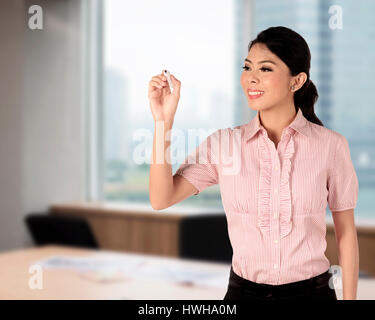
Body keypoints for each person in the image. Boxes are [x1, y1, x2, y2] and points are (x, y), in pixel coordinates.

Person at [148, 26, 359, 300]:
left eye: (265, 69)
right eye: (247, 68)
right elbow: (161, 198)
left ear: (296, 82)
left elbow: (346, 236)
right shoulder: (224, 145)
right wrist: (163, 122)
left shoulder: (331, 146)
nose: (251, 79)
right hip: (243, 294)